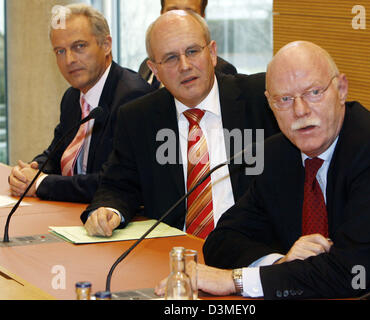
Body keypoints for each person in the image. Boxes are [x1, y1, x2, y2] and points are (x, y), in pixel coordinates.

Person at [155, 41, 370, 299]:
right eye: (285, 99)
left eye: (314, 92)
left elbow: (349, 274)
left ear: (341, 89)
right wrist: (281, 262)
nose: (301, 110)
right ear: (269, 104)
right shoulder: (277, 154)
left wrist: (234, 281)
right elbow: (223, 240)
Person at [81, 10, 279, 238]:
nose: (185, 65)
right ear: (155, 70)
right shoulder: (139, 118)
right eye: (171, 58)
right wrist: (108, 209)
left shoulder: (260, 99)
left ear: (212, 53)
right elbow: (118, 185)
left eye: (192, 51)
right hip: (174, 254)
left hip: (253, 252)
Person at [8, 4, 152, 203]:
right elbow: (56, 154)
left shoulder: (132, 97)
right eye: (60, 51)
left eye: (79, 46)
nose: (69, 60)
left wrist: (40, 183)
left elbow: (112, 182)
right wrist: (30, 172)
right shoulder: (72, 97)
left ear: (106, 44)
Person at [138, 0, 237, 90]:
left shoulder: (222, 69)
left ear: (202, 17)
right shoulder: (146, 67)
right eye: (172, 12)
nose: (179, 19)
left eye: (189, 13)